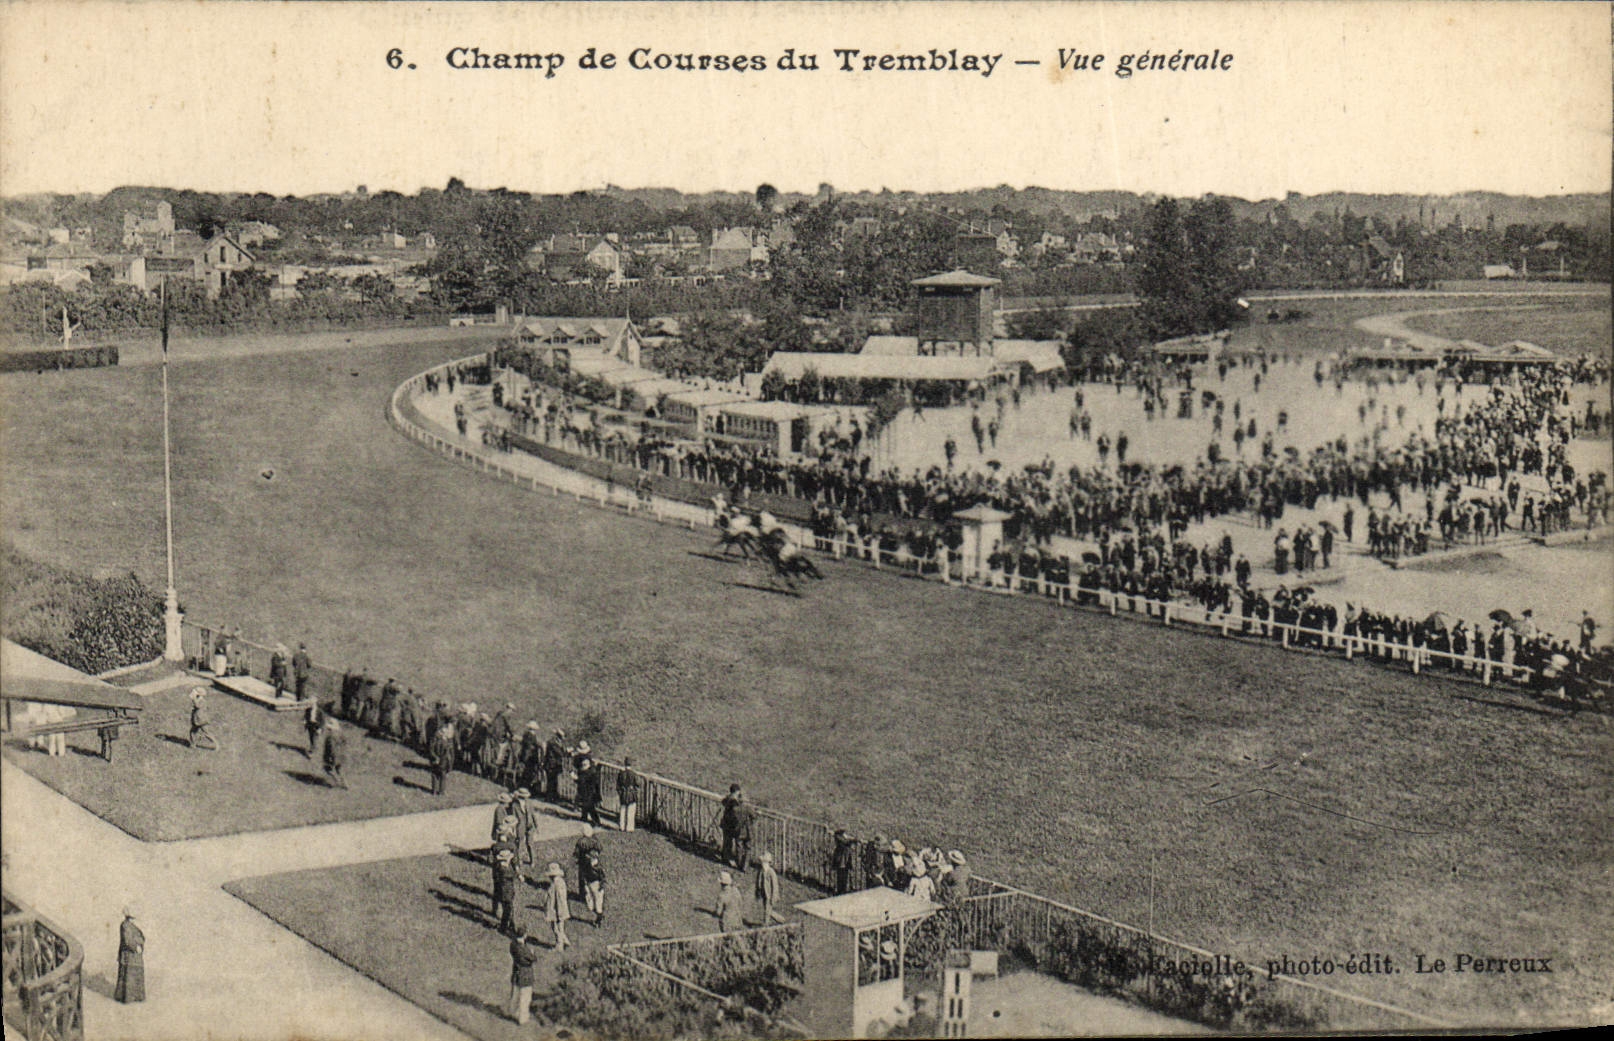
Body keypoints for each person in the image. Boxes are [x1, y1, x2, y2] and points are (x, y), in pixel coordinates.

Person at [116, 907, 146, 1003]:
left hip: (136, 955)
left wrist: (140, 944)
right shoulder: (125, 925)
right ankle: (126, 997)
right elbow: (127, 940)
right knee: (128, 975)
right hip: (128, 955)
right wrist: (135, 947)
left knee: (136, 974)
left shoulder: (134, 926)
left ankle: (137, 996)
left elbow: (142, 937)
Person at [508, 928, 538, 1024]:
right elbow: (533, 959)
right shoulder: (524, 949)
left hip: (516, 972)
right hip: (525, 974)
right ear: (525, 935)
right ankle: (523, 1018)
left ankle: (512, 1012)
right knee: (525, 997)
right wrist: (532, 953)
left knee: (515, 994)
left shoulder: (513, 945)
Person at [542, 862, 572, 950]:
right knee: (558, 927)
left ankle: (559, 945)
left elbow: (559, 898)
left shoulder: (557, 884)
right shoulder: (558, 882)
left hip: (556, 909)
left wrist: (560, 911)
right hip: (556, 908)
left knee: (556, 927)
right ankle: (564, 940)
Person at [573, 744, 603, 826]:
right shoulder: (589, 764)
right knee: (587, 803)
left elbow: (582, 779)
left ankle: (594, 820)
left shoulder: (579, 760)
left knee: (588, 804)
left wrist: (576, 778)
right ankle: (587, 818)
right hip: (589, 788)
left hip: (587, 788)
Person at [492, 848, 519, 935]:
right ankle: (504, 927)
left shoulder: (503, 866)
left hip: (508, 891)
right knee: (507, 910)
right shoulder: (503, 868)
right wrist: (518, 875)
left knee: (509, 909)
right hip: (505, 892)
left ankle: (510, 924)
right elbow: (511, 875)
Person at [579, 841, 606, 926]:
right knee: (594, 900)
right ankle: (598, 915)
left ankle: (598, 919)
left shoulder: (592, 866)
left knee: (597, 901)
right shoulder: (592, 865)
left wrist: (601, 885)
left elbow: (602, 877)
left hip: (595, 884)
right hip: (592, 884)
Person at [754, 851, 783, 925]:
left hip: (770, 895)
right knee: (767, 910)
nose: (762, 864)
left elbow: (775, 886)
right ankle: (780, 920)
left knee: (767, 910)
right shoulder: (760, 871)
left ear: (767, 863)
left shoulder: (771, 872)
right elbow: (758, 883)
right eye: (762, 862)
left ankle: (765, 924)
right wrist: (757, 892)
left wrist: (774, 897)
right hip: (764, 893)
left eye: (764, 863)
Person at [429, 720, 456, 796]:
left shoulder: (446, 740)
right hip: (438, 759)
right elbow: (431, 749)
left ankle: (440, 791)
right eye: (442, 731)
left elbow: (449, 751)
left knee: (441, 775)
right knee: (436, 774)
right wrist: (435, 757)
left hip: (442, 760)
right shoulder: (436, 738)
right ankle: (436, 791)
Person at [616, 756, 641, 832]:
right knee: (631, 811)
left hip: (623, 793)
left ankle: (622, 826)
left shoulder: (621, 773)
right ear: (631, 764)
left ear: (625, 764)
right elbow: (638, 784)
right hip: (631, 793)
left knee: (623, 810)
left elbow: (618, 785)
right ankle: (629, 827)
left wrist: (620, 792)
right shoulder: (633, 774)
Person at [543, 729, 569, 799]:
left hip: (555, 764)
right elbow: (559, 753)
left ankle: (553, 796)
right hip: (551, 764)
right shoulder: (553, 742)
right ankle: (549, 797)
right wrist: (567, 751)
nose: (563, 739)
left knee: (554, 780)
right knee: (551, 781)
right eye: (563, 737)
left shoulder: (558, 742)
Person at [322, 719, 347, 789]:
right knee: (339, 769)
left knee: (327, 768)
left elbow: (331, 747)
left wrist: (330, 756)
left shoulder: (330, 736)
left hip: (333, 755)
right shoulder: (340, 734)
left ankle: (336, 780)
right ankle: (345, 783)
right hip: (341, 755)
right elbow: (344, 742)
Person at [832, 829, 858, 895]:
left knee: (845, 873)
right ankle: (840, 890)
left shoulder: (844, 837)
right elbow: (845, 842)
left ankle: (843, 889)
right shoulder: (838, 837)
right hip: (841, 857)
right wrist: (853, 840)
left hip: (846, 857)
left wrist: (853, 840)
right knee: (840, 874)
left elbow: (848, 840)